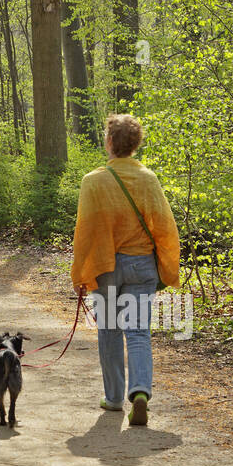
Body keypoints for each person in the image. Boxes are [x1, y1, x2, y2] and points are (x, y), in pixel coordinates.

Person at [72, 113, 180, 427]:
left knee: (108, 331)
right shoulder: (149, 179)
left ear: (109, 142)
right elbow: (164, 227)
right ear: (136, 144)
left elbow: (85, 232)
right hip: (141, 265)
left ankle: (115, 398)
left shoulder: (93, 181)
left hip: (106, 267)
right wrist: (167, 265)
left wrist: (80, 273)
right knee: (137, 332)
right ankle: (141, 392)